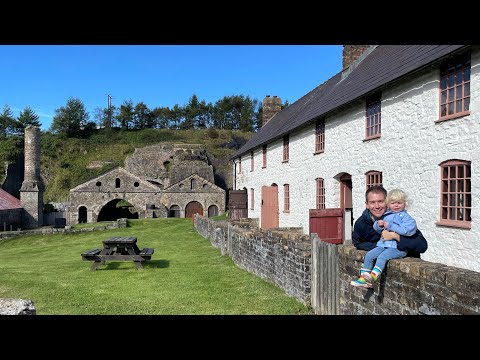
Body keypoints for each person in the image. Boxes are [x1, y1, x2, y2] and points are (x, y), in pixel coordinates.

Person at [351, 185, 428, 288]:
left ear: (386, 202)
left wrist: (396, 237)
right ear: (367, 205)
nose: (377, 206)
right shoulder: (361, 224)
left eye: (380, 201)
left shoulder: (398, 218)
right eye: (372, 202)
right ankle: (364, 278)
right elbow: (358, 243)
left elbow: (422, 245)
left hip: (408, 281)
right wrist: (380, 248)